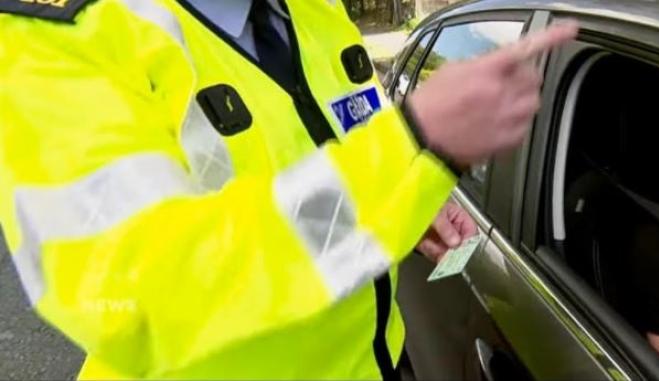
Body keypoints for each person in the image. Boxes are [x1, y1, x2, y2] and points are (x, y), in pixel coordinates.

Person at [0, 0, 577, 379]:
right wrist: (414, 143)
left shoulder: (311, 11)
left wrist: (410, 194)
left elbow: (343, 154)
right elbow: (138, 297)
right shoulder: (53, 43)